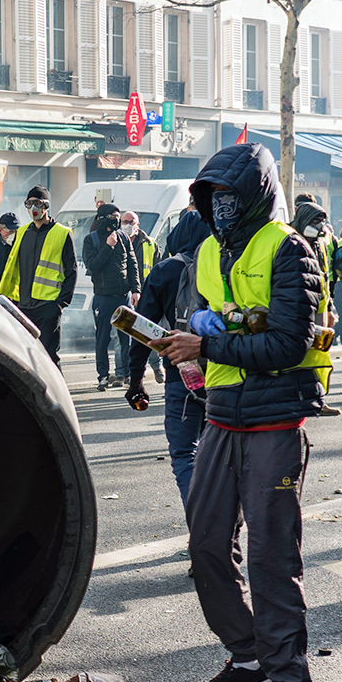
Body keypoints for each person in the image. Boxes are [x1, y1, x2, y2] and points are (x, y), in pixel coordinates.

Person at [158, 142, 328, 682]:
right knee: (206, 544)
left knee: (271, 556)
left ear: (255, 195)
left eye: (230, 196)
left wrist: (206, 343)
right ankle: (248, 652)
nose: (221, 207)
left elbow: (287, 343)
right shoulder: (207, 250)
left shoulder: (290, 249)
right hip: (221, 413)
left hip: (277, 421)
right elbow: (210, 316)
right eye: (213, 197)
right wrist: (183, 342)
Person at [124, 208, 214, 509]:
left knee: (184, 453)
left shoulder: (165, 270)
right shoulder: (224, 266)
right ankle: (227, 531)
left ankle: (205, 531)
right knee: (222, 457)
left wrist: (136, 378)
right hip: (227, 374)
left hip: (182, 376)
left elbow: (142, 328)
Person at [0, 185, 77, 365]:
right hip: (24, 306)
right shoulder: (22, 232)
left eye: (37, 203)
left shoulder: (61, 233)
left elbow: (72, 271)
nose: (33, 208)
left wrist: (60, 304)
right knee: (27, 356)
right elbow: (12, 265)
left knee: (49, 357)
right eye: (29, 203)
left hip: (48, 306)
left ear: (46, 206)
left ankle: (56, 393)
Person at [290, 201, 342, 416]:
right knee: (295, 354)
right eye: (315, 221)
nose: (320, 226)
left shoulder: (320, 244)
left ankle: (318, 399)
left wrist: (329, 306)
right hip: (295, 305)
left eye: (322, 221)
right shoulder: (290, 241)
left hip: (318, 304)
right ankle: (295, 399)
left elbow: (325, 276)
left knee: (320, 353)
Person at [83, 202, 139, 390]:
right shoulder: (91, 240)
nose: (117, 221)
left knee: (126, 337)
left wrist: (136, 290)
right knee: (103, 338)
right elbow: (93, 266)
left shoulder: (123, 237)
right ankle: (103, 376)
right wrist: (108, 247)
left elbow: (132, 264)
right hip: (103, 298)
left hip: (123, 296)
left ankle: (126, 373)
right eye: (114, 217)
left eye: (118, 216)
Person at [122, 209, 165, 383]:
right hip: (126, 293)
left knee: (150, 331)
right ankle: (126, 373)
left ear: (137, 225)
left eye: (131, 222)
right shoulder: (117, 241)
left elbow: (159, 267)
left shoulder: (149, 243)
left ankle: (156, 366)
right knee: (128, 334)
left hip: (147, 294)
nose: (127, 225)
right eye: (124, 221)